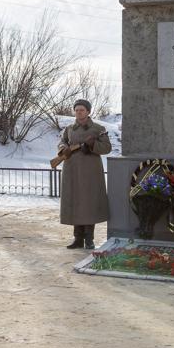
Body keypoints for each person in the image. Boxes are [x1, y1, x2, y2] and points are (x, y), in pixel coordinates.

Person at [56, 99, 111, 250]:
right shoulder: (69, 129)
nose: (79, 112)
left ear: (88, 111)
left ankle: (89, 239)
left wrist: (92, 144)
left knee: (89, 203)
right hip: (72, 169)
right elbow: (62, 142)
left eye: (82, 110)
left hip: (90, 171)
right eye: (77, 110)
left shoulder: (98, 128)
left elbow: (107, 147)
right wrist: (64, 149)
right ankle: (78, 239)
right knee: (75, 202)